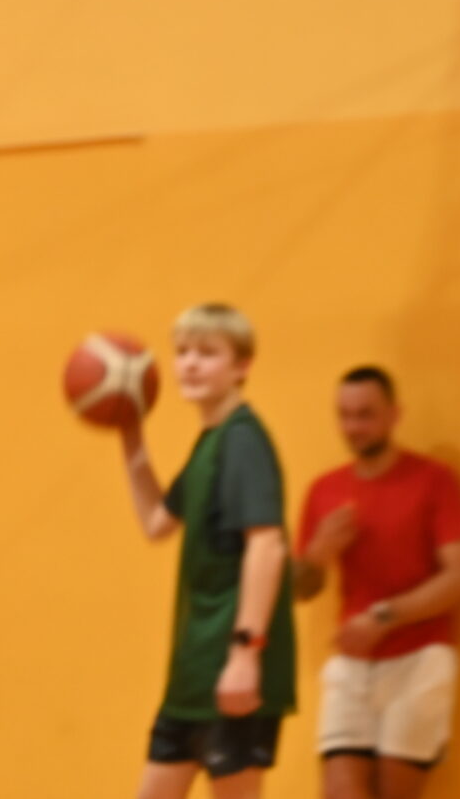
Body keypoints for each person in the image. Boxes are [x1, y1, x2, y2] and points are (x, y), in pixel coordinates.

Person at [115, 304, 296, 798]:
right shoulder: (210, 442)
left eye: (208, 353)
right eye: (183, 352)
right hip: (195, 668)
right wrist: (131, 436)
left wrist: (245, 654)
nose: (190, 363)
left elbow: (267, 545)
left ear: (242, 366)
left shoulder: (243, 440)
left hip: (232, 660)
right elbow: (157, 522)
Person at [293, 367, 460, 799]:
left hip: (421, 656)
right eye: (344, 415)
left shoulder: (434, 480)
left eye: (365, 414)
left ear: (394, 415)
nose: (353, 427)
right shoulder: (324, 489)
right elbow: (301, 589)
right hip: (352, 663)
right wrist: (317, 553)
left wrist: (384, 617)